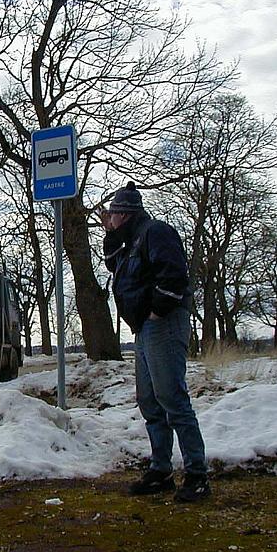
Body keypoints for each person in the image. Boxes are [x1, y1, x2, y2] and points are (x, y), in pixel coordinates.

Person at [101, 181, 210, 503]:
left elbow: (174, 275)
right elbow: (113, 265)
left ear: (125, 213)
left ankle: (197, 475)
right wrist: (110, 235)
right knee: (150, 402)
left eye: (113, 215)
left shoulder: (155, 232)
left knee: (172, 399)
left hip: (162, 325)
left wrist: (157, 311)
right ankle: (160, 471)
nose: (109, 219)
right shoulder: (131, 240)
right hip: (144, 329)